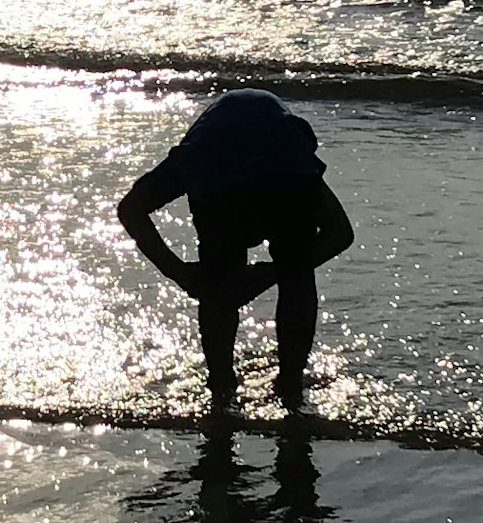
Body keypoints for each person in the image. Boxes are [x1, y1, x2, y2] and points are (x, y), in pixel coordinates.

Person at [117, 88, 354, 408]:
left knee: (219, 283)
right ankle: (287, 384)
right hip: (258, 178)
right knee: (294, 275)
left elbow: (131, 209)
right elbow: (340, 233)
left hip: (249, 180)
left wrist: (183, 274)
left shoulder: (215, 157)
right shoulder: (205, 157)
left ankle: (223, 383)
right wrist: (277, 273)